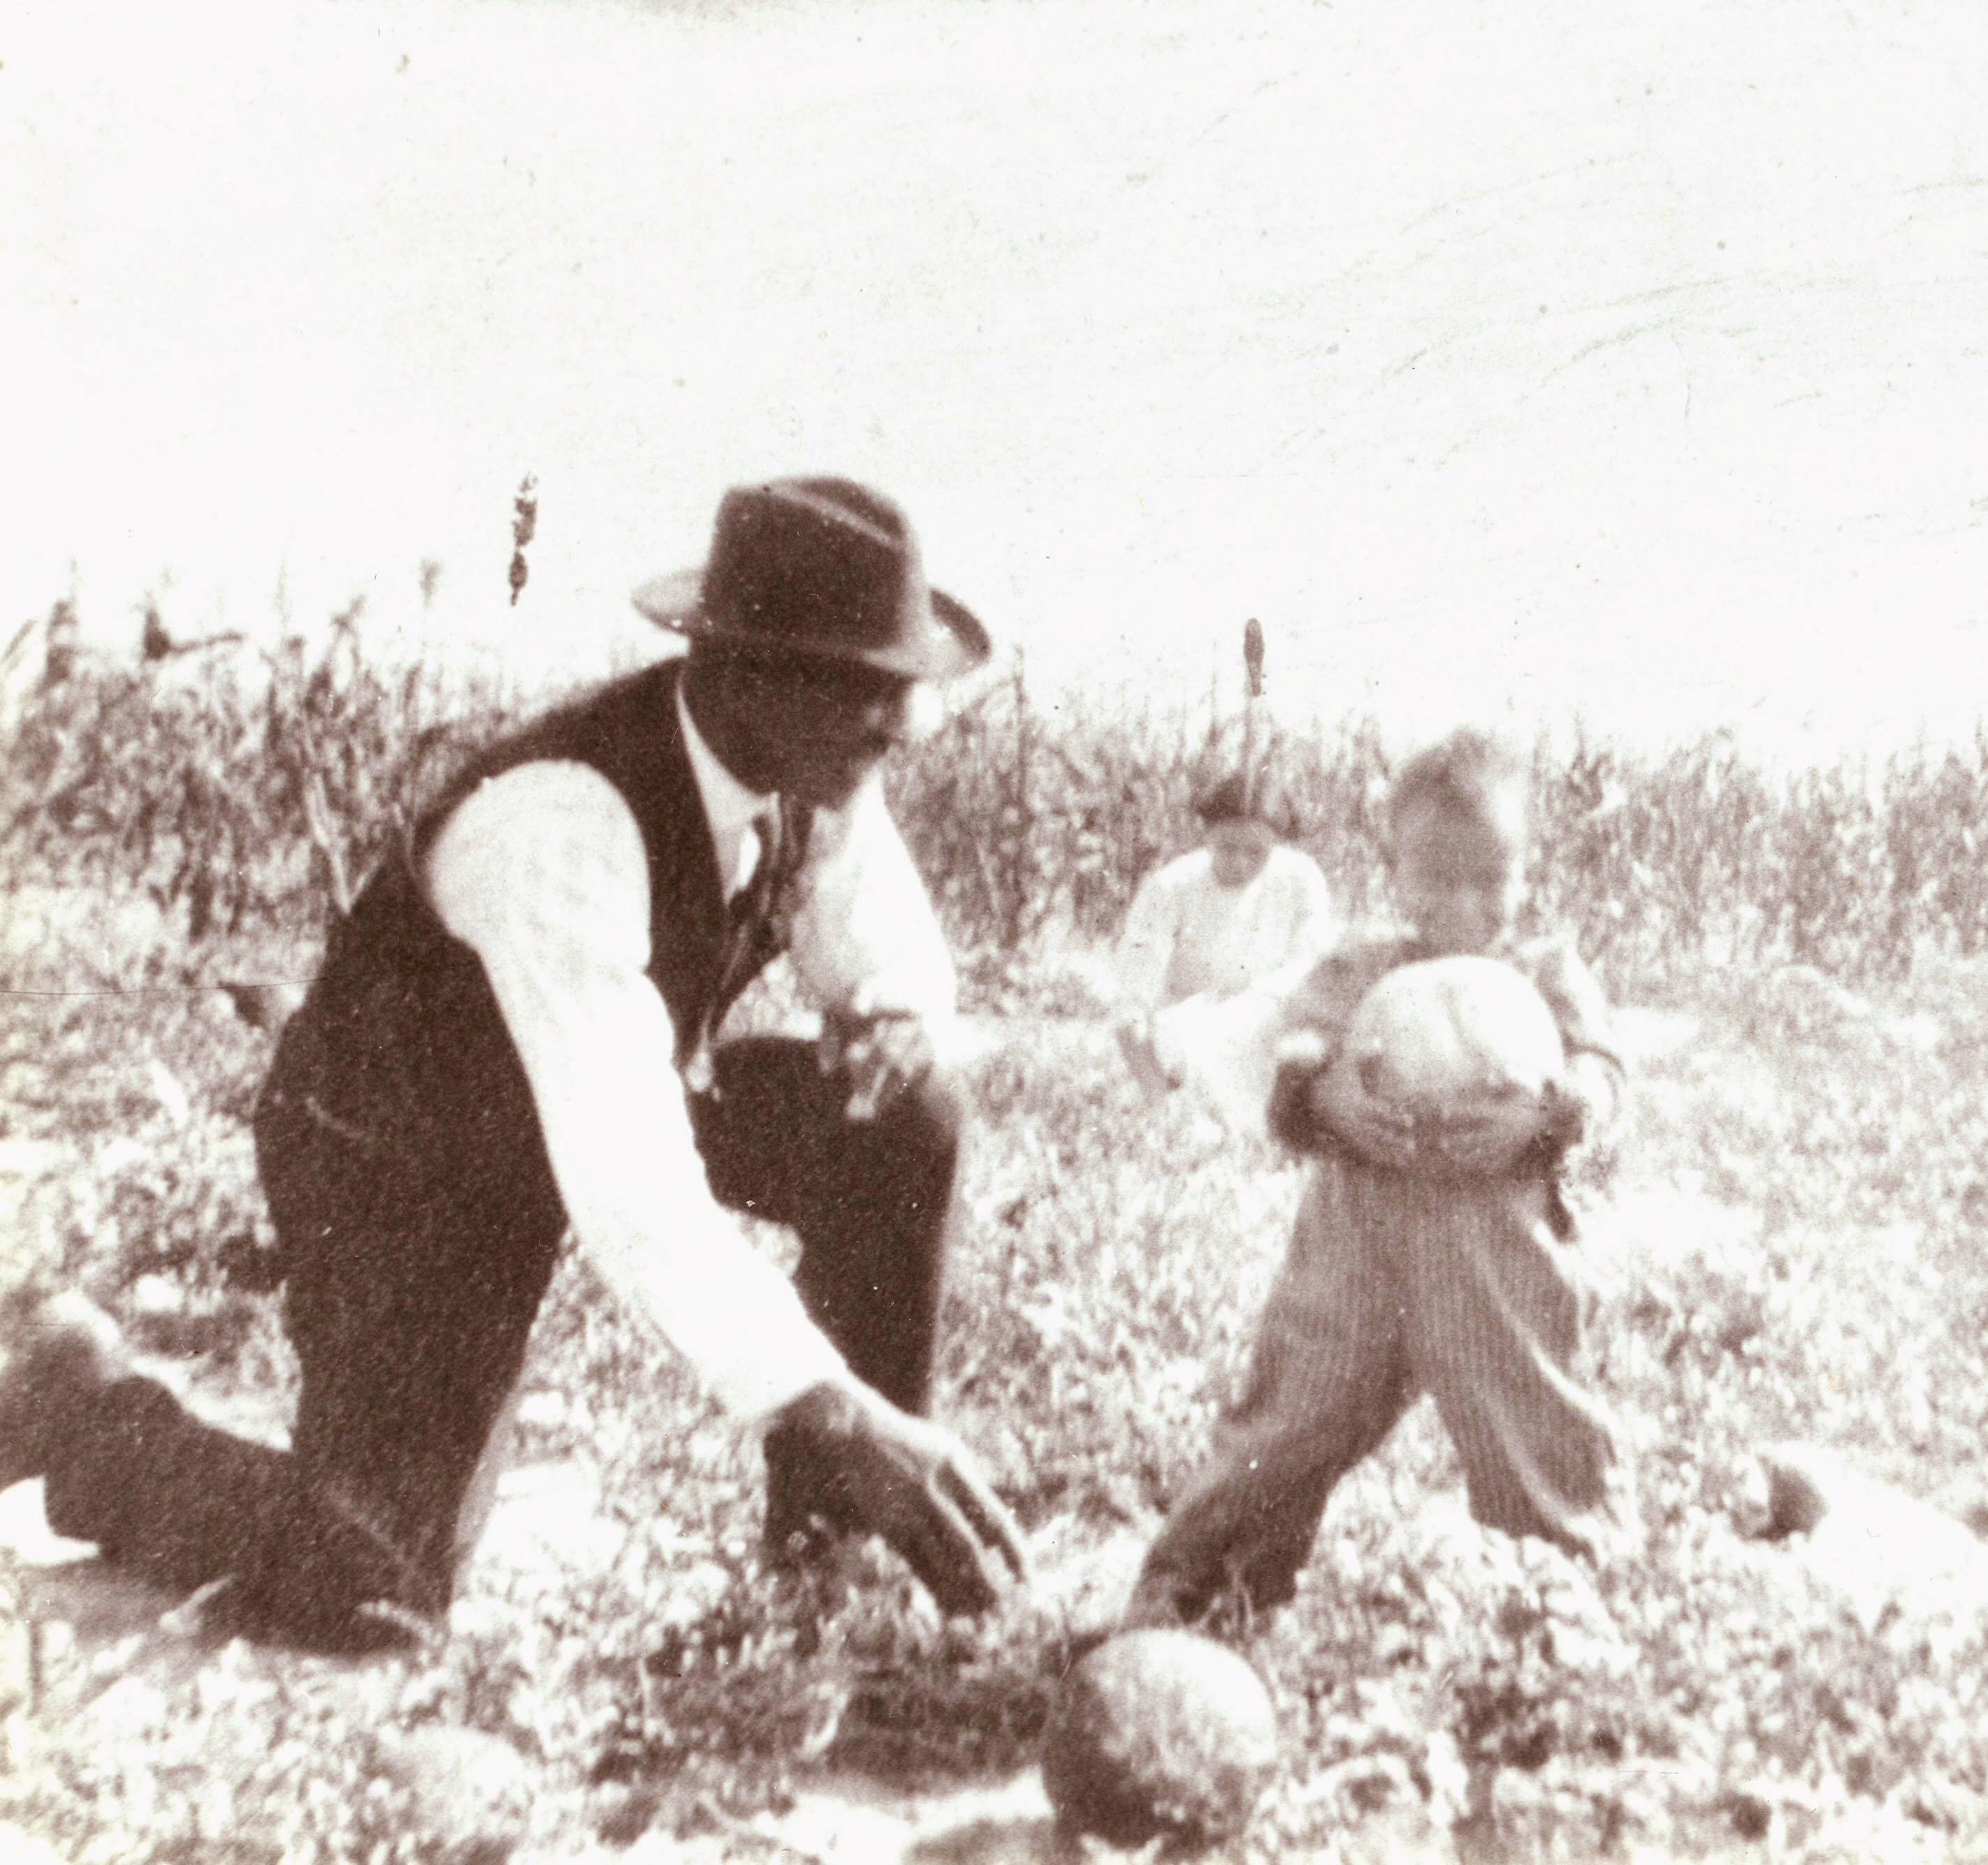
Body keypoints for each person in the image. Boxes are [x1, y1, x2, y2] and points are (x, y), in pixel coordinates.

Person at [0, 477, 1030, 1648]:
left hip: (592, 1105)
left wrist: (899, 1014)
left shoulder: (814, 767)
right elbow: (631, 1189)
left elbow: (886, 942)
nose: (906, 721)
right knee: (377, 1581)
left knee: (904, 1111)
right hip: (407, 1161)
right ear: (749, 672)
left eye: (903, 684)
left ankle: (823, 1568)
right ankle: (77, 1405)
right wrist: (840, 1410)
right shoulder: (559, 819)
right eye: (870, 686)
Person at [1124, 727, 1632, 1632]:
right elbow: (1291, 1065)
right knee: (1288, 1420)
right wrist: (1329, 1100)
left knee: (1527, 1423)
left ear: (1527, 870)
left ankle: (1562, 1613)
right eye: (1437, 879)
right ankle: (1203, 1590)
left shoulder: (1548, 972)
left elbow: (1602, 1077)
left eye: (1491, 878)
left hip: (1493, 1259)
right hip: (1352, 1245)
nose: (1465, 904)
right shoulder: (1359, 967)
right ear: (1392, 870)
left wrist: (1550, 1112)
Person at [1110, 772, 1334, 1117]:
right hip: (1194, 1023)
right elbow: (1135, 990)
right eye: (1226, 848)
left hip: (1271, 1020)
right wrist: (1157, 1095)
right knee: (1156, 1038)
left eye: (1256, 852)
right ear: (1207, 835)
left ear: (1277, 843)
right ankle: (1181, 1104)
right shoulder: (1171, 886)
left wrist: (1258, 1009)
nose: (1241, 863)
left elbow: (1309, 966)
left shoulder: (1301, 878)